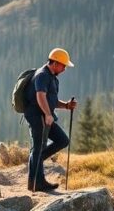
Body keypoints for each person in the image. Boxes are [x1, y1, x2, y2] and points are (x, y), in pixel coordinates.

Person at [24, 48, 76, 192]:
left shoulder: (52, 77)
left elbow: (50, 99)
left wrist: (66, 105)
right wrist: (47, 114)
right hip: (37, 116)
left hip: (46, 116)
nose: (65, 68)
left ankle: (37, 160)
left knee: (63, 140)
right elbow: (40, 96)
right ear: (55, 62)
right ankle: (37, 182)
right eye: (63, 65)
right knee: (38, 147)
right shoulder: (42, 75)